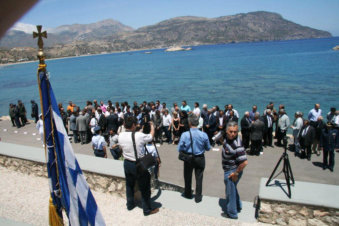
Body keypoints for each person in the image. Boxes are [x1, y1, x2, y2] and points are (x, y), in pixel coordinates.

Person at [118, 117, 159, 216]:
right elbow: (150, 136)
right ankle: (147, 210)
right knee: (144, 187)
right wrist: (152, 127)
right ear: (133, 125)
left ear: (124, 125)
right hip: (138, 164)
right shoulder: (139, 136)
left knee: (129, 185)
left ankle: (130, 204)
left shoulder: (120, 135)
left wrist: (138, 131)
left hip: (127, 163)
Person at [178, 114, 210, 203]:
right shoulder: (204, 135)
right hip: (200, 158)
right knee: (199, 178)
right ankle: (198, 197)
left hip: (188, 158)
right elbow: (208, 148)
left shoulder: (185, 135)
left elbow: (180, 148)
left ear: (189, 123)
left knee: (187, 177)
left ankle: (188, 194)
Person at [221, 121, 248, 219]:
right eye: (231, 131)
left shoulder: (238, 145)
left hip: (232, 171)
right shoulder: (227, 138)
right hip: (228, 169)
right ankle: (238, 205)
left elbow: (244, 162)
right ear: (227, 131)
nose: (233, 134)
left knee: (230, 192)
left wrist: (236, 173)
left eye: (235, 132)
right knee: (233, 189)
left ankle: (232, 213)